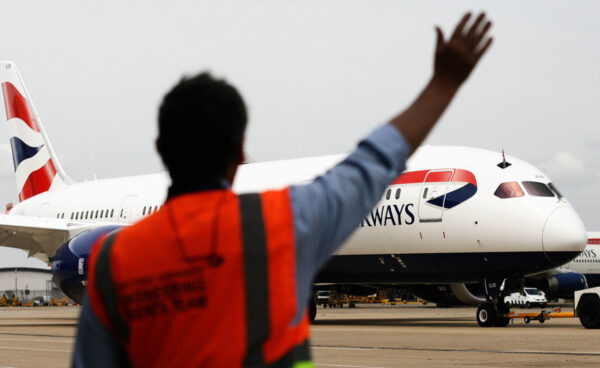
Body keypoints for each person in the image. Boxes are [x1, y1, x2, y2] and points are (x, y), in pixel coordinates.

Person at [74, 12, 492, 368]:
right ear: (240, 151)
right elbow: (373, 161)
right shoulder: (282, 223)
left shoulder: (114, 260)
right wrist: (443, 84)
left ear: (160, 150)